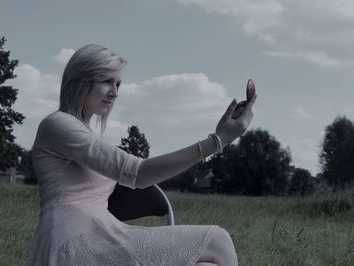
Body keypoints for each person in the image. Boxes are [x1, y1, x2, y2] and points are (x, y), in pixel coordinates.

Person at [26, 43, 257, 266]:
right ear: (80, 81)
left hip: (100, 235)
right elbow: (139, 173)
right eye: (107, 81)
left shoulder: (83, 133)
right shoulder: (57, 124)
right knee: (218, 239)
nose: (114, 92)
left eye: (118, 84)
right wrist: (218, 141)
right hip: (72, 244)